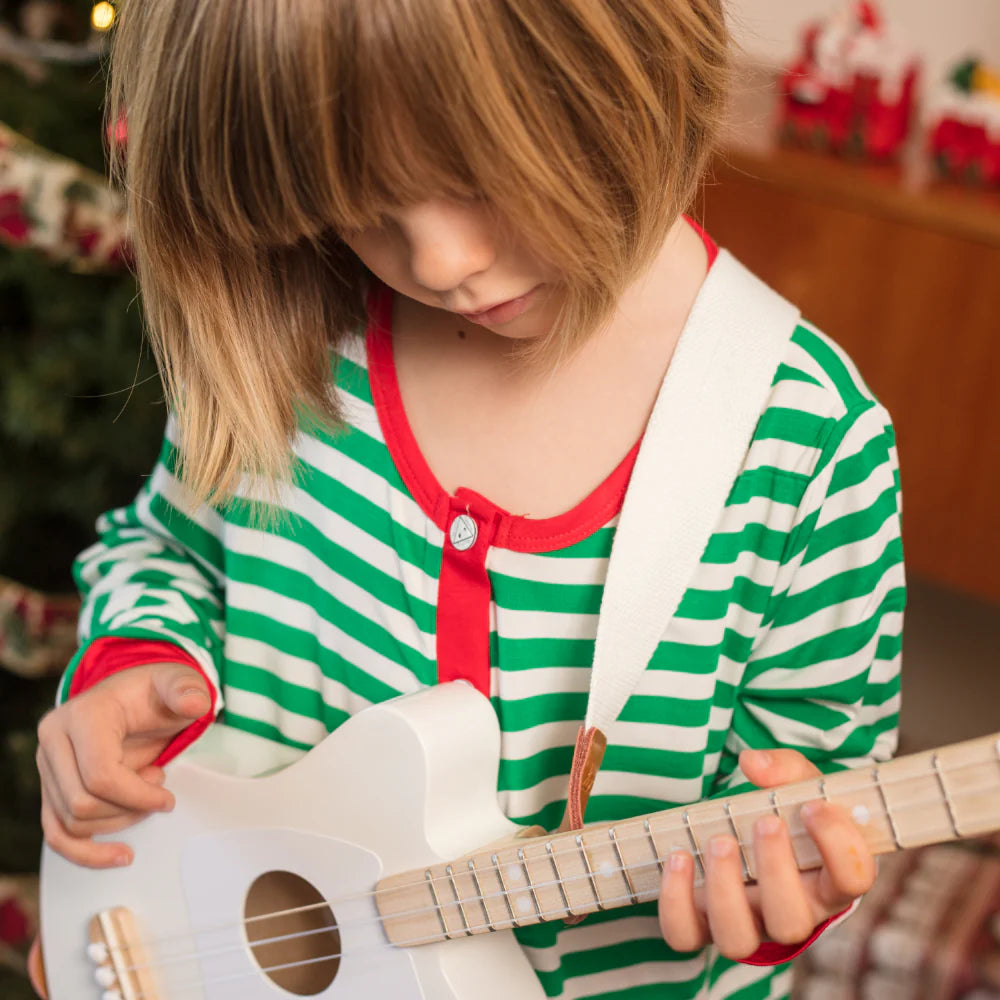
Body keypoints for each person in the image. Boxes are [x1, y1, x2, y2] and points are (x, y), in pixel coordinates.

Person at [34, 1, 904, 997]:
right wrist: (131, 670)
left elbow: (821, 794)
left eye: (476, 176)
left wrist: (786, 886)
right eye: (361, 207)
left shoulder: (806, 446)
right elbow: (169, 550)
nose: (441, 263)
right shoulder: (287, 329)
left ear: (628, 63)